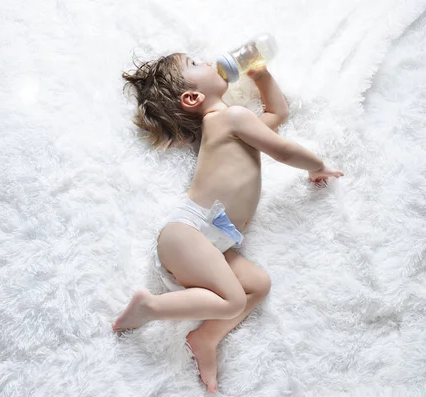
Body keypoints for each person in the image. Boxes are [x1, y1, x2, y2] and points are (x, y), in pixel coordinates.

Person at [113, 53, 344, 394]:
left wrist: (262, 76)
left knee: (258, 284)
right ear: (192, 97)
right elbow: (281, 151)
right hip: (187, 233)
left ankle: (206, 336)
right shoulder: (231, 118)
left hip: (214, 245)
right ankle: (151, 308)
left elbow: (277, 114)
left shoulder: (232, 126)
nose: (209, 60)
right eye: (195, 63)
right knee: (234, 300)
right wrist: (316, 164)